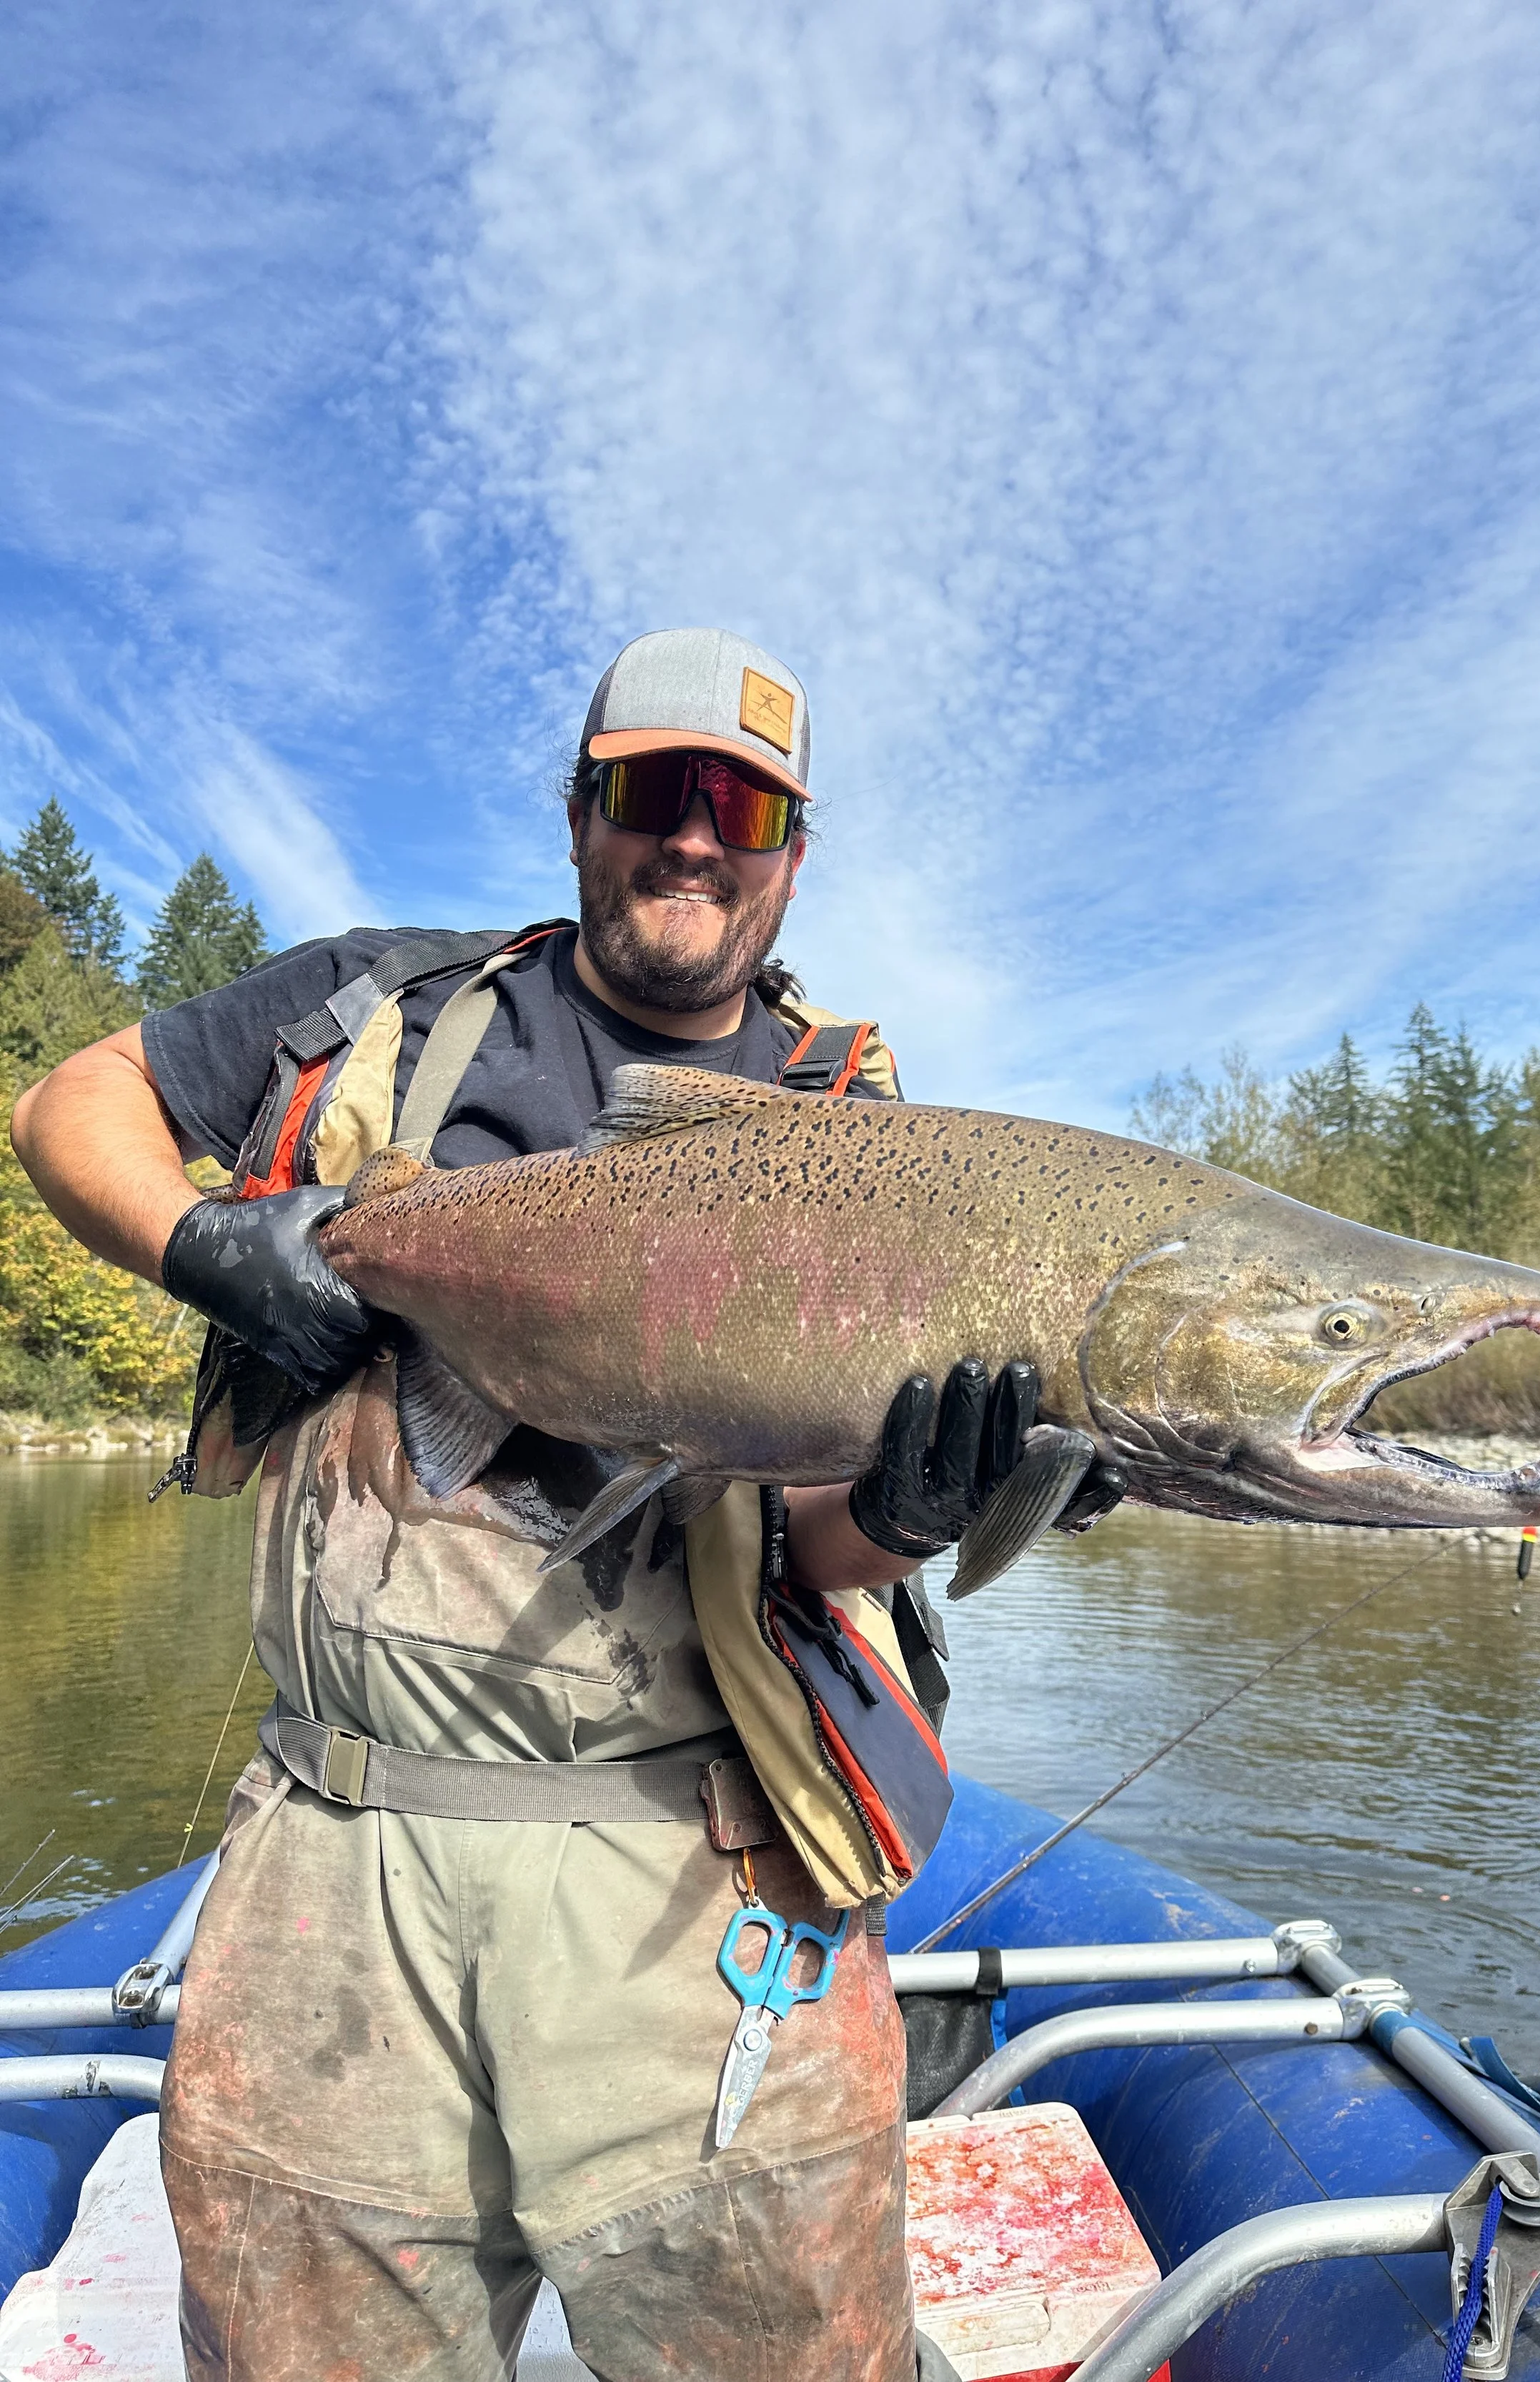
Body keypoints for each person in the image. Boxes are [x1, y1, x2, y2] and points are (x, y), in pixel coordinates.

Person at [11, 630, 1118, 2382]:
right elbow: (75, 1100)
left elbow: (819, 1552)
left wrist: (910, 1517)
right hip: (335, 1847)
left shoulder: (863, 1132)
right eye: (650, 794)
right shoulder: (381, 1002)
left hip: (700, 1859)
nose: (692, 839)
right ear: (581, 815)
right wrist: (205, 1241)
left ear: (791, 853)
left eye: (738, 808)